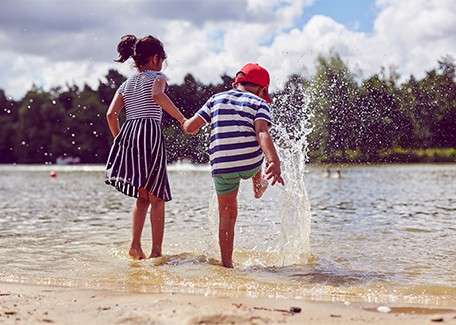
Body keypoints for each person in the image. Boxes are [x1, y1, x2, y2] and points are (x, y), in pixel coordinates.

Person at [183, 63, 284, 268]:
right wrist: (273, 160)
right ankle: (258, 183)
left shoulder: (215, 99)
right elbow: (262, 133)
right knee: (256, 152)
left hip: (222, 166)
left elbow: (191, 127)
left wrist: (181, 120)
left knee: (227, 214)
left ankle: (227, 264)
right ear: (263, 89)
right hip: (249, 161)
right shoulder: (259, 103)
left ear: (235, 83)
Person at [105, 35, 186, 260]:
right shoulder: (158, 77)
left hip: (129, 134)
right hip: (149, 132)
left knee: (142, 196)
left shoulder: (125, 84)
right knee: (157, 197)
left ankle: (134, 246)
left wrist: (121, 140)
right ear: (154, 58)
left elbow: (111, 115)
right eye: (161, 60)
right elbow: (157, 95)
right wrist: (182, 119)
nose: (162, 65)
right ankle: (156, 252)